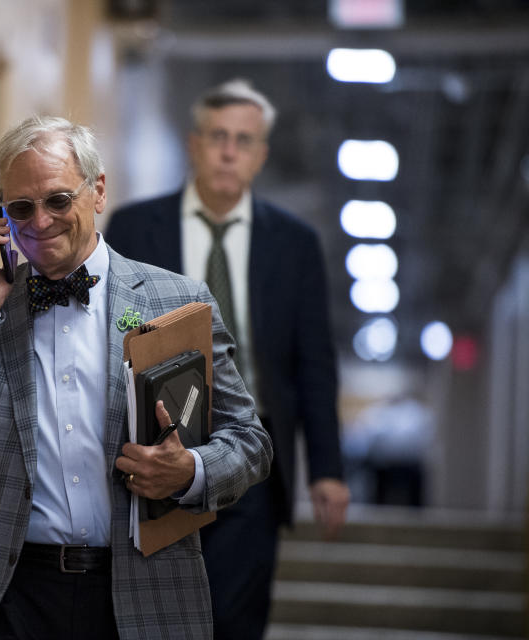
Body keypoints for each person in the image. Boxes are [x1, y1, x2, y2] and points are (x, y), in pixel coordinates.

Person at [0, 115, 272, 640]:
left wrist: (190, 471)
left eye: (57, 200)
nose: (41, 222)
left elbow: (250, 442)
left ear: (97, 191)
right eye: (20, 208)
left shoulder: (179, 302)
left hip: (143, 594)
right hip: (8, 598)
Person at [106, 78, 350, 639]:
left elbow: (314, 361)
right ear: (194, 144)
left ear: (262, 155)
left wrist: (329, 470)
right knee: (153, 619)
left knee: (236, 621)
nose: (229, 151)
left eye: (244, 140)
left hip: (252, 455)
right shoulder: (134, 226)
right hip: (159, 446)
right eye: (218, 136)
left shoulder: (294, 243)